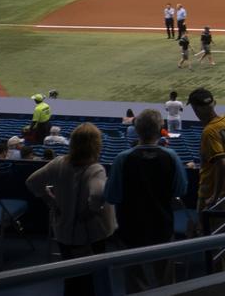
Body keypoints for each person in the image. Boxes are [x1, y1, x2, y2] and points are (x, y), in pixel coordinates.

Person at [26, 123, 116, 296]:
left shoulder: (58, 162)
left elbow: (32, 181)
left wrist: (50, 201)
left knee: (71, 277)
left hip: (64, 232)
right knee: (92, 279)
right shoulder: (95, 169)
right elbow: (98, 195)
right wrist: (91, 210)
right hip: (91, 235)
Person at [105, 109, 187, 292]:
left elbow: (111, 196)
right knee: (166, 281)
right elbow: (181, 189)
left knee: (135, 281)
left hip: (130, 229)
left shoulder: (122, 159)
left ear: (136, 129)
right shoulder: (171, 156)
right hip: (162, 226)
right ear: (161, 130)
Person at [189, 88, 225, 211]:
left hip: (213, 193)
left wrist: (215, 197)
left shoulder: (209, 132)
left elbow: (223, 166)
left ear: (196, 109)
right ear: (214, 103)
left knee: (211, 229)